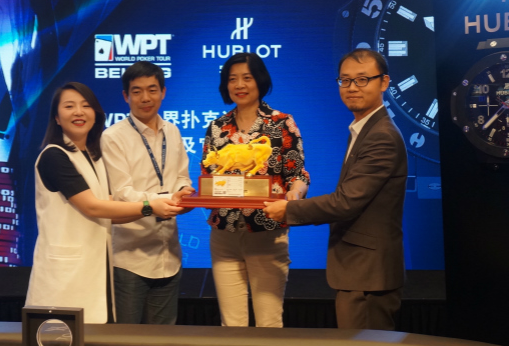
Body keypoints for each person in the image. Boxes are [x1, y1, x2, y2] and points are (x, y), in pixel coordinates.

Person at [263, 48, 408, 331]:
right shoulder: (364, 129)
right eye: (345, 80)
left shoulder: (382, 136)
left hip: (368, 274)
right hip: (360, 271)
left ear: (384, 82)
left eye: (362, 79)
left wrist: (289, 210)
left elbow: (346, 202)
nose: (352, 87)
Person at [25, 82, 182, 324]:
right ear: (56, 117)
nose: (79, 112)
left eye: (85, 106)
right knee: (61, 334)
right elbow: (93, 206)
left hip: (95, 269)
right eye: (69, 106)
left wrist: (166, 201)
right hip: (64, 275)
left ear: (96, 114)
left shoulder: (92, 156)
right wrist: (151, 206)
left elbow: (110, 205)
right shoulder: (54, 156)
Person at [201, 52, 310, 328]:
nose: (239, 85)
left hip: (267, 234)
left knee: (268, 326)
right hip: (224, 235)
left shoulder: (281, 123)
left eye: (247, 78)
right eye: (232, 79)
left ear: (260, 80)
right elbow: (208, 176)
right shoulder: (216, 127)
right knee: (232, 327)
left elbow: (298, 175)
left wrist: (294, 196)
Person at [101, 62, 196, 324]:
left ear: (163, 92)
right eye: (137, 91)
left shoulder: (172, 131)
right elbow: (122, 193)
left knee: (163, 338)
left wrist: (184, 193)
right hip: (130, 258)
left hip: (169, 254)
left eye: (152, 90)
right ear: (126, 96)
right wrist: (164, 201)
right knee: (126, 339)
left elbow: (181, 177)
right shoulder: (113, 137)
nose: (145, 98)